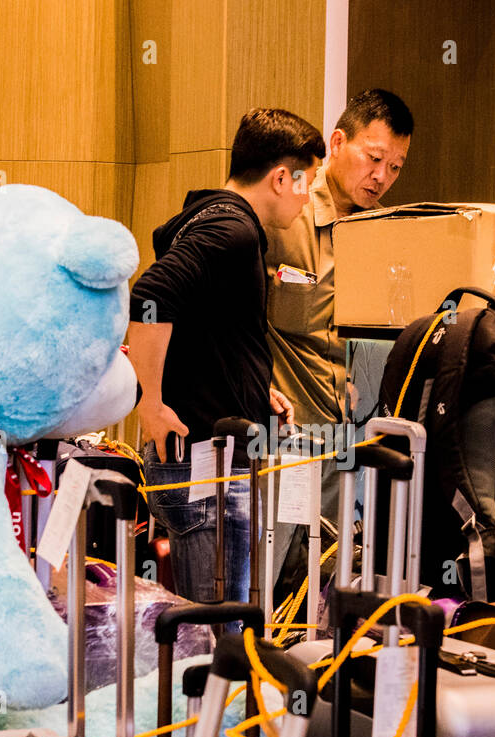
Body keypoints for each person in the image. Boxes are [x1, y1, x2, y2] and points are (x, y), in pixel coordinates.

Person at [128, 108, 324, 603]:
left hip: (207, 461)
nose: (307, 197)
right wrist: (149, 402)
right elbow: (150, 297)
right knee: (217, 640)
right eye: (306, 182)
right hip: (207, 470)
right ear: (281, 177)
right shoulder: (231, 232)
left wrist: (257, 390)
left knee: (215, 633)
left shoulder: (210, 218)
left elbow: (203, 336)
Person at [262, 90, 413, 595]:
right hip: (280, 438)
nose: (382, 177)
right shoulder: (286, 208)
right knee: (265, 582)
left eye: (395, 167)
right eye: (374, 159)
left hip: (347, 442)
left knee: (324, 587)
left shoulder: (386, 232)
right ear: (338, 141)